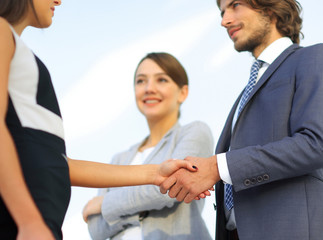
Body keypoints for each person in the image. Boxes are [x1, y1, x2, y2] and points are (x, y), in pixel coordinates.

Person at [0, 1, 199, 240]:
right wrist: (29, 221)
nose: (58, 1)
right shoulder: (1, 31)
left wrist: (155, 172)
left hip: (41, 222)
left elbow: (61, 164)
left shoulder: (19, 51)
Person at [160, 0, 323, 240]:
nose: (224, 20)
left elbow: (316, 143)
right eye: (222, 11)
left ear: (271, 8)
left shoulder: (312, 57)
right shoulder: (245, 92)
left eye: (235, 5)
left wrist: (218, 167)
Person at [82, 52, 214, 240]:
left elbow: (169, 190)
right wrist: (142, 207)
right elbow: (96, 229)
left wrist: (105, 204)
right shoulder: (119, 159)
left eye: (161, 80)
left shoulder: (194, 132)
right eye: (141, 81)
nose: (149, 88)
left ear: (183, 92)